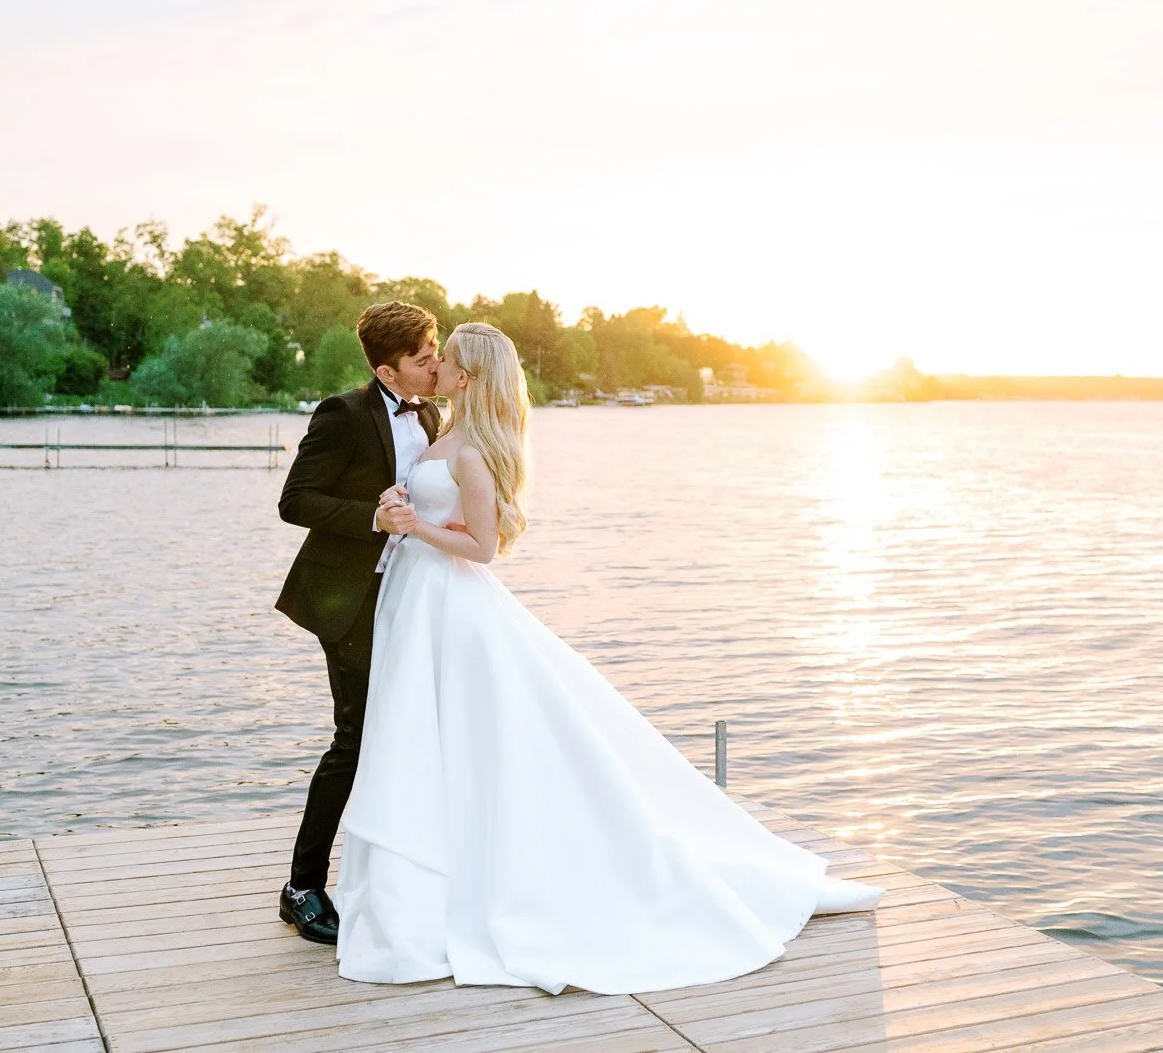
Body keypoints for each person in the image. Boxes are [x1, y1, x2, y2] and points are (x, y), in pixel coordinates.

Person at [330, 321, 882, 995]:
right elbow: (436, 514)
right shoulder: (440, 432)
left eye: (444, 359)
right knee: (421, 739)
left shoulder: (471, 454)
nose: (434, 364)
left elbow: (483, 548)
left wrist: (416, 526)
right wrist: (397, 506)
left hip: (451, 604)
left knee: (471, 737)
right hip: (415, 598)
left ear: (466, 377)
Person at [273, 300, 443, 945]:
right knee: (355, 738)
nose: (435, 365)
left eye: (435, 352)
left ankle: (401, 873)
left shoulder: (430, 412)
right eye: (422, 359)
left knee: (409, 730)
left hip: (411, 594)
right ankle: (302, 888)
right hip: (348, 599)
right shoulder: (343, 414)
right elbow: (295, 501)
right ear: (385, 371)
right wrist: (372, 517)